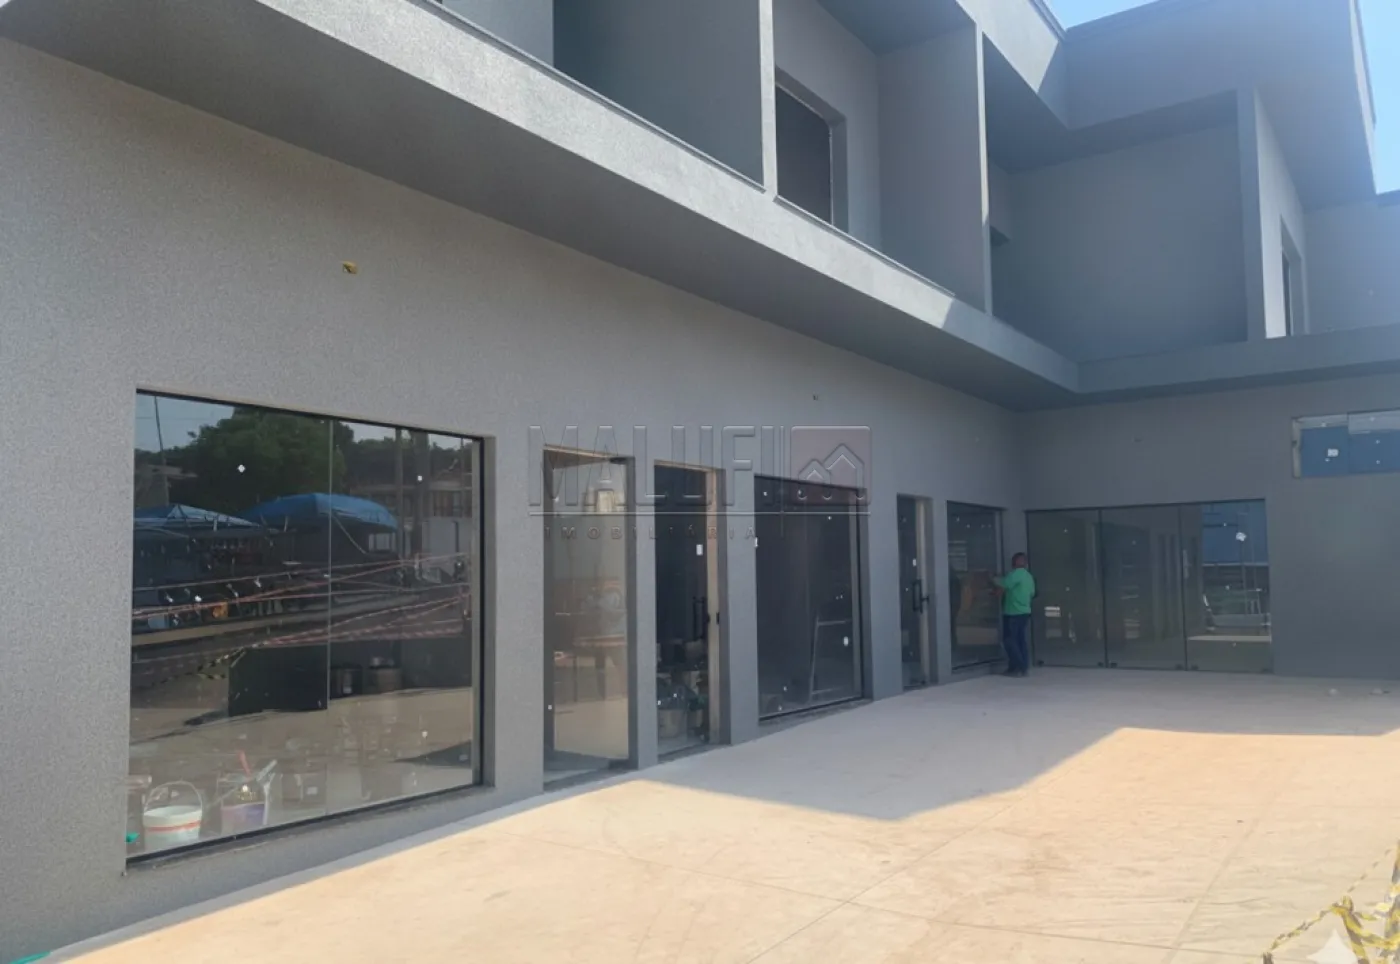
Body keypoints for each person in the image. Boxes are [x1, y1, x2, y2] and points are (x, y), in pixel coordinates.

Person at [994, 552, 1036, 677]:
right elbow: (1032, 593)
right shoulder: (1029, 577)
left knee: (1010, 641)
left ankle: (1018, 667)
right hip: (1025, 612)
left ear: (1017, 562)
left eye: (1014, 560)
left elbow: (1002, 584)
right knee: (1020, 640)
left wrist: (991, 578)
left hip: (1013, 612)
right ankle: (1022, 667)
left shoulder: (1015, 574)